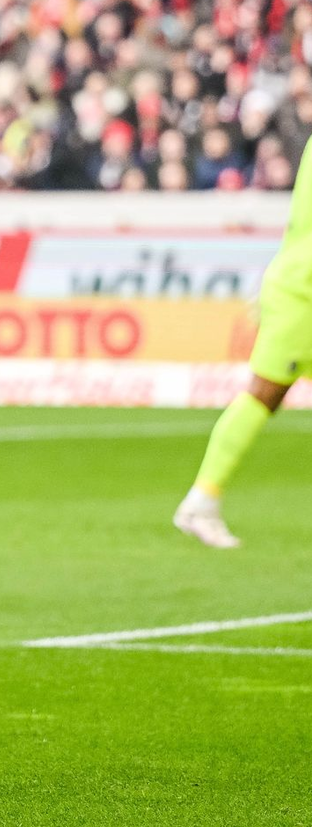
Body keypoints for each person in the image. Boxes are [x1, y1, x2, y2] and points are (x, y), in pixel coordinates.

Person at [175, 136, 312, 547]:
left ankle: (202, 499)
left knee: (264, 395)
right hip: (303, 292)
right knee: (264, 393)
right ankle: (201, 500)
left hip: (294, 277)